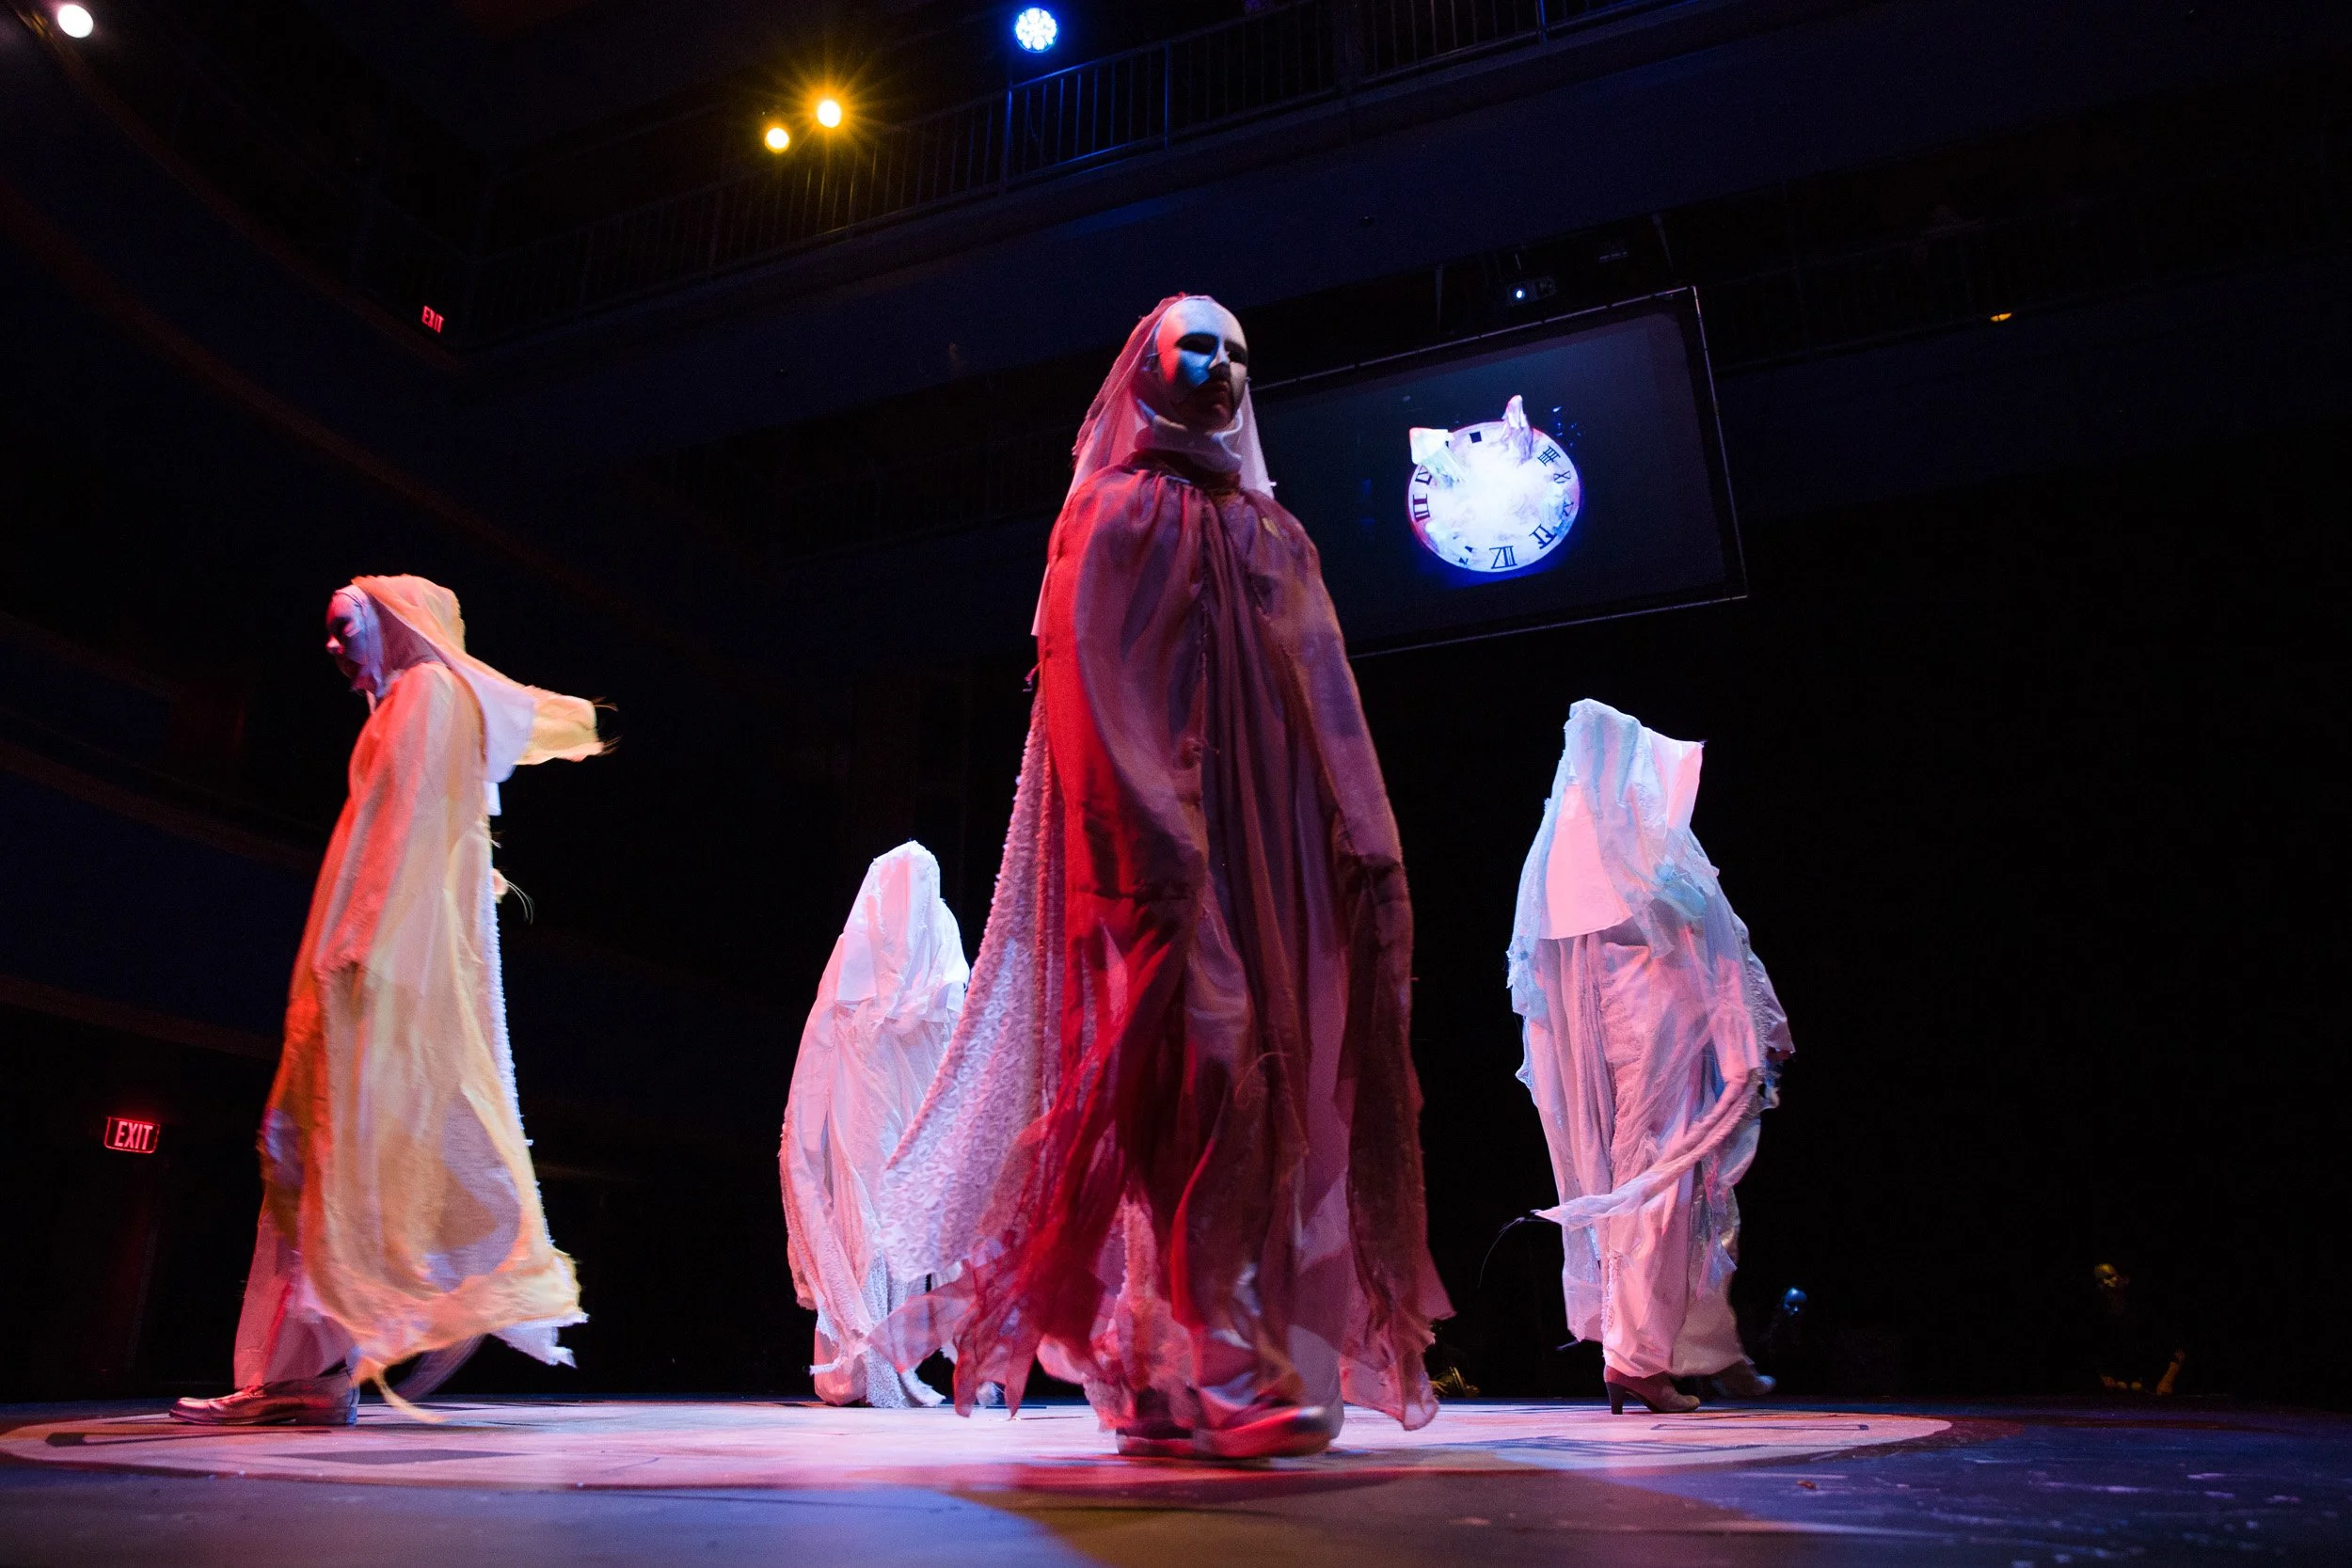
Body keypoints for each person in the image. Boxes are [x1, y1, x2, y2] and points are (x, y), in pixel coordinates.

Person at [876, 295, 1450, 1459]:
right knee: (1203, 1063)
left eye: (1240, 350)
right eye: (1199, 343)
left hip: (1267, 861)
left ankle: (1164, 1367)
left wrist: (1361, 845)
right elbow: (1087, 681)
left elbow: (1327, 704)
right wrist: (1149, 835)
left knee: (1260, 1082)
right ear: (1146, 362)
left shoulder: (1276, 533)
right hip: (1150, 855)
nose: (1222, 365)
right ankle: (1226, 1353)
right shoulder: (1113, 511)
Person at [172, 576, 603, 1426]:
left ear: (396, 625)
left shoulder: (425, 695)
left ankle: (320, 1366)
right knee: (323, 1158)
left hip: (371, 963)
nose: (332, 647)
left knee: (323, 1150)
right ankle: (312, 1371)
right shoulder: (410, 701)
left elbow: (401, 835)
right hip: (370, 959)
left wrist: (359, 949)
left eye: (343, 628)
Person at [1505, 700, 1791, 1415]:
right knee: (1660, 1181)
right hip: (1661, 1047)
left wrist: (1747, 1030)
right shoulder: (1643, 859)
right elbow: (1713, 954)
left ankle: (1672, 1350)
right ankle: (1638, 1357)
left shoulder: (1577, 860)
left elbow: (1713, 948)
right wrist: (1745, 1039)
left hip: (1645, 1048)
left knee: (1668, 1186)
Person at [782, 843, 968, 1407]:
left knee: (900, 1233)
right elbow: (816, 1060)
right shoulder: (853, 964)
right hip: (862, 1118)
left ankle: (885, 1364)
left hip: (909, 1120)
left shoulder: (940, 958)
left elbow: (957, 1049)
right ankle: (854, 1368)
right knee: (866, 1227)